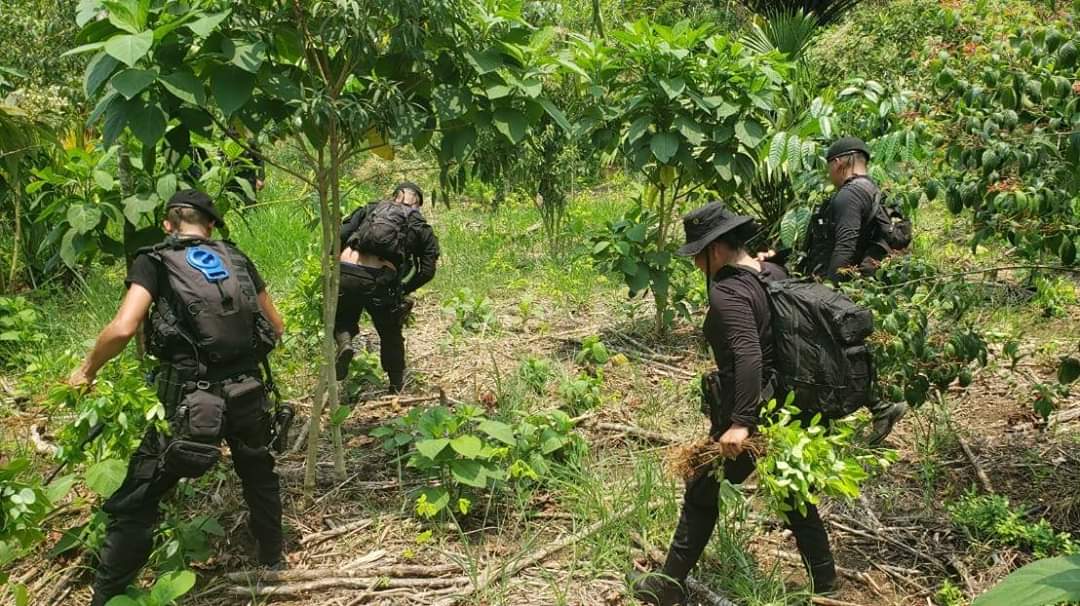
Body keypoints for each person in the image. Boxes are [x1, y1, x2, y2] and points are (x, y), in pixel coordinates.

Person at [68, 190, 286, 606]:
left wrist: (85, 371)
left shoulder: (154, 260)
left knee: (139, 496)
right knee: (259, 474)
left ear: (168, 224)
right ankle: (272, 560)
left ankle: (108, 595)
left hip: (189, 401)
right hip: (248, 393)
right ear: (211, 225)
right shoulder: (236, 259)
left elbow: (122, 328)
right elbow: (275, 324)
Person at [628, 203, 837, 606]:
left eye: (698, 256)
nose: (696, 266)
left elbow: (748, 354)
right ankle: (825, 582)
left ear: (716, 250)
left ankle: (668, 585)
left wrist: (741, 422)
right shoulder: (770, 273)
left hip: (752, 409)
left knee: (702, 489)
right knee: (793, 493)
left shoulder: (727, 291)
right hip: (788, 408)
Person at [335, 181, 440, 392]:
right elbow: (427, 270)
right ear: (418, 204)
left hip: (346, 271)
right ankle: (396, 386)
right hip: (380, 281)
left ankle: (345, 343)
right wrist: (402, 288)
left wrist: (335, 267)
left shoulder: (370, 208)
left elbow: (339, 235)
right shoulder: (420, 225)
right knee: (390, 333)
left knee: (343, 318)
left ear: (394, 196)